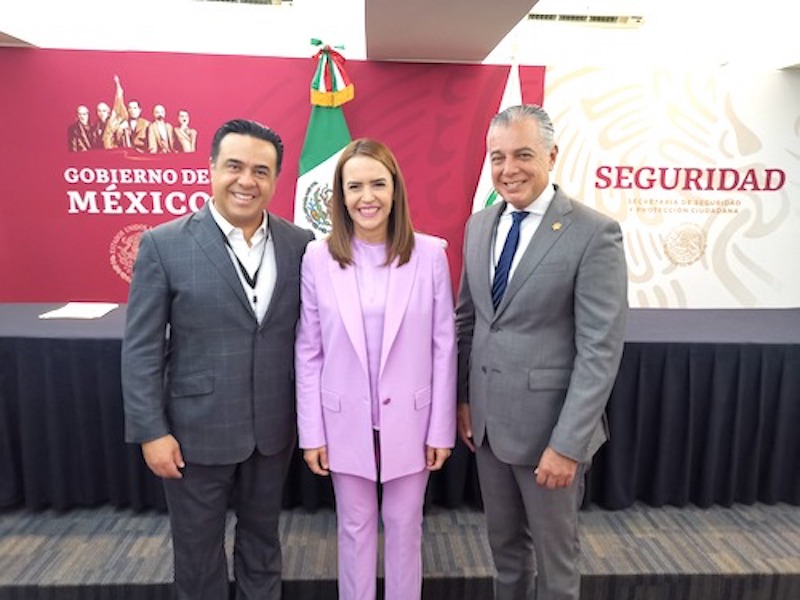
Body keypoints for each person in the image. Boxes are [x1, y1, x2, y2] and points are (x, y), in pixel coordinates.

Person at [122, 119, 314, 600]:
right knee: (198, 554)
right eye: (235, 166)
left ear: (275, 180)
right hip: (194, 433)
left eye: (261, 171)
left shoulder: (301, 245)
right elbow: (142, 346)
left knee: (263, 545)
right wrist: (151, 430)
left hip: (272, 430)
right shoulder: (163, 245)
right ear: (211, 168)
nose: (247, 181)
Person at [455, 104, 628, 600]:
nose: (509, 169)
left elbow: (600, 349)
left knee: (556, 566)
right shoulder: (480, 225)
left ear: (552, 155)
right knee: (505, 553)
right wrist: (465, 400)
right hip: (488, 428)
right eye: (498, 157)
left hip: (551, 436)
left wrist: (568, 444)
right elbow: (468, 322)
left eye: (524, 155)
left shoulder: (594, 233)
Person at [295, 138, 457, 600]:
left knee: (406, 528)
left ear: (395, 190)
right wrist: (313, 433)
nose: (367, 197)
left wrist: (440, 430)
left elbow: (444, 346)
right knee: (354, 527)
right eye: (355, 186)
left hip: (412, 418)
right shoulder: (317, 258)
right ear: (340, 196)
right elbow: (309, 349)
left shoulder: (429, 255)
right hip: (342, 418)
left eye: (378, 184)